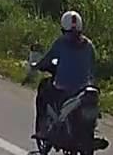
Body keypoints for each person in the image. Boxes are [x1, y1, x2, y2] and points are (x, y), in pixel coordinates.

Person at [33, 10, 96, 139]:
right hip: (83, 88)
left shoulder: (61, 43)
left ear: (63, 29)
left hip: (63, 87)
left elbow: (47, 60)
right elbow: (92, 67)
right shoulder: (89, 46)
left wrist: (36, 66)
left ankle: (43, 129)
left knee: (44, 92)